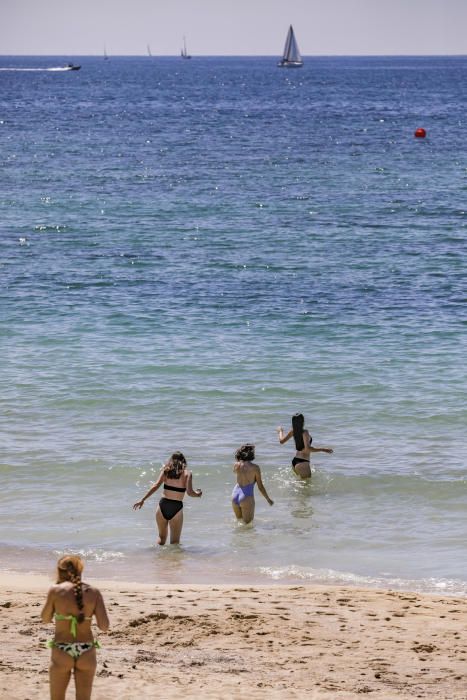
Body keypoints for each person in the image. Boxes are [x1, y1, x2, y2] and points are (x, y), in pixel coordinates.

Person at [41, 555, 109, 700]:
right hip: (86, 650)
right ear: (80, 570)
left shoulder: (56, 591)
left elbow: (45, 619)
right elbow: (104, 626)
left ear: (60, 570)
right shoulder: (94, 592)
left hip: (62, 649)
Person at [133, 451, 202, 545]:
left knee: (161, 538)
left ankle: (157, 558)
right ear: (184, 461)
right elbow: (190, 493)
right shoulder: (187, 474)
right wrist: (198, 494)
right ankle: (172, 559)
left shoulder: (166, 471)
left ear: (171, 461)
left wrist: (143, 499)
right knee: (175, 542)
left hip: (163, 505)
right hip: (176, 507)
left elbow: (156, 485)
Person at [277, 412, 333, 478]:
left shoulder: (293, 431)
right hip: (303, 462)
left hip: (294, 461)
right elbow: (308, 449)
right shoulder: (305, 432)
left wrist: (280, 431)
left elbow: (281, 441)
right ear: (303, 421)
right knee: (307, 487)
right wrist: (323, 449)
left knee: (300, 485)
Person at [232, 444, 273, 524]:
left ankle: (238, 537)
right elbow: (260, 486)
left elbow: (235, 472)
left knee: (239, 523)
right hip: (246, 497)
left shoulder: (236, 465)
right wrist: (268, 499)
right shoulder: (255, 468)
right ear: (251, 454)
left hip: (235, 494)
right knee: (248, 526)